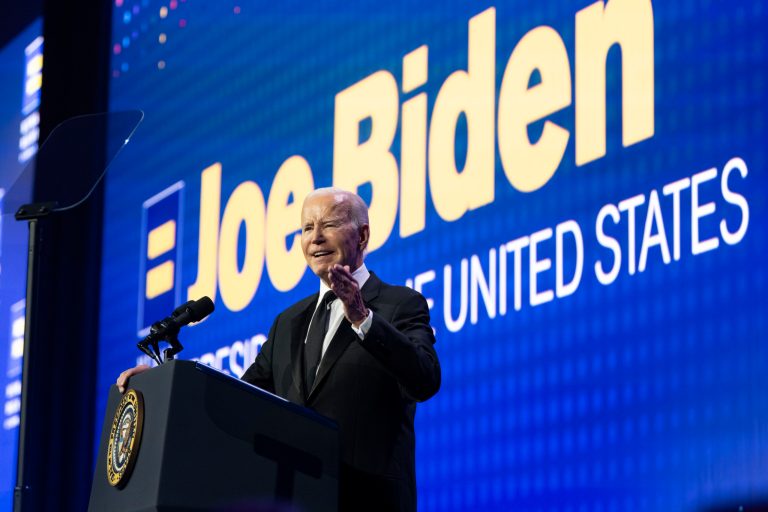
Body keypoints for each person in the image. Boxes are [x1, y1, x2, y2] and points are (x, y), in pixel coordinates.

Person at [118, 188, 441, 511]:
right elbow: (234, 399)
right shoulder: (287, 323)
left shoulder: (399, 304)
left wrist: (362, 318)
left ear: (362, 235)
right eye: (306, 228)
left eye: (328, 225)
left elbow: (425, 379)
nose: (315, 238)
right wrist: (165, 384)